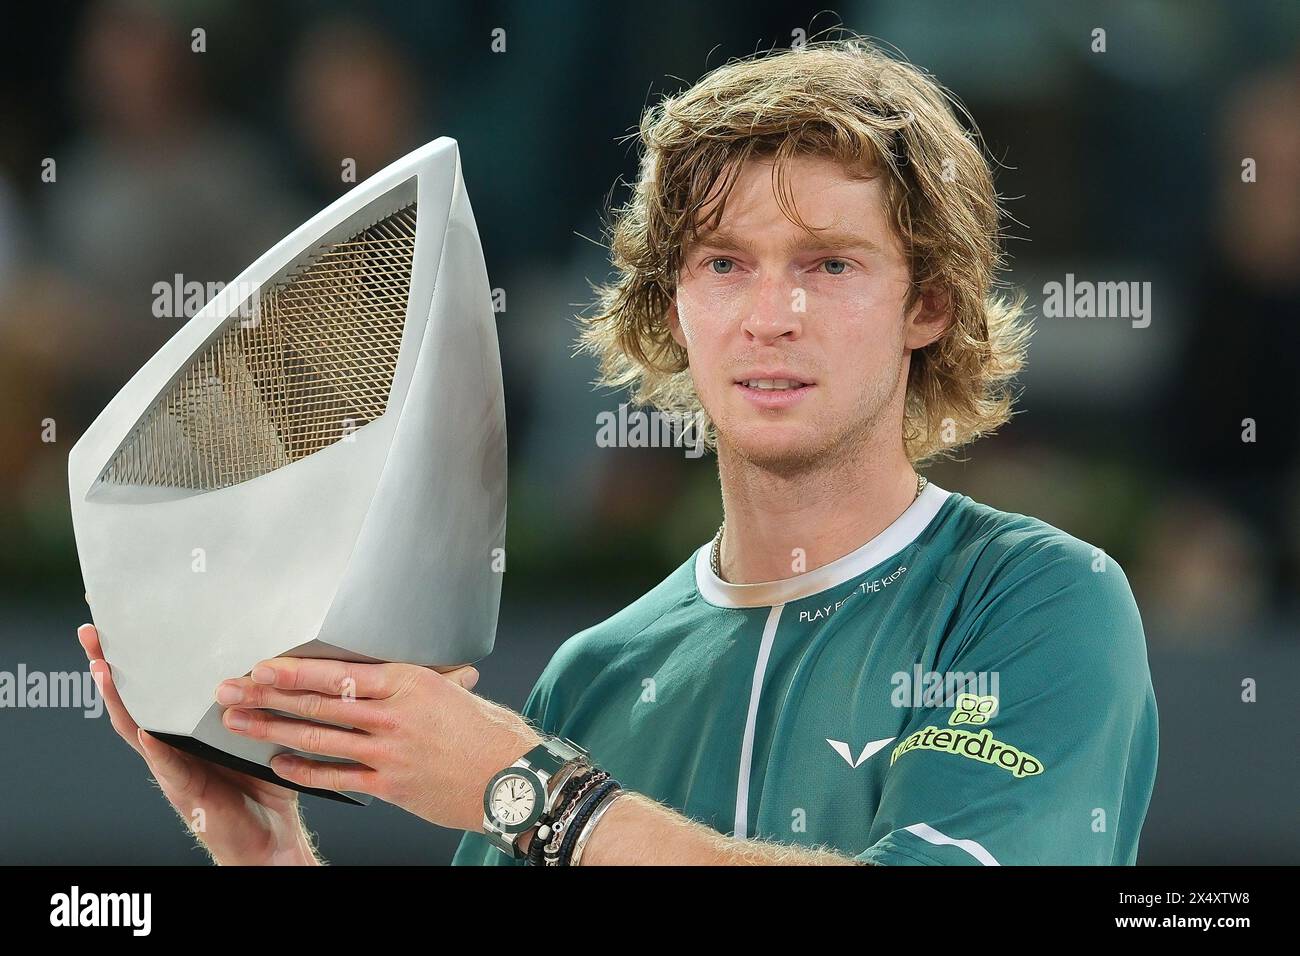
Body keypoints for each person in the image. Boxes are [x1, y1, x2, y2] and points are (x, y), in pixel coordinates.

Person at [77, 37, 1158, 866]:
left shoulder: (1040, 601)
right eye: (723, 263)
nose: (768, 313)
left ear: (926, 301)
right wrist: (264, 847)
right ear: (670, 303)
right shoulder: (591, 679)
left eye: (828, 265)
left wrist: (541, 793)